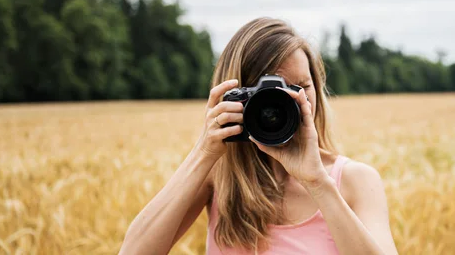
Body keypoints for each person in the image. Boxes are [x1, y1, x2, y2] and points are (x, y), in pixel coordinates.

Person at [119, 17, 399, 255]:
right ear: (235, 97)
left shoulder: (354, 181)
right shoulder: (219, 177)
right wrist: (203, 154)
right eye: (267, 97)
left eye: (300, 86)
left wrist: (318, 184)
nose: (285, 103)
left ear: (317, 88)